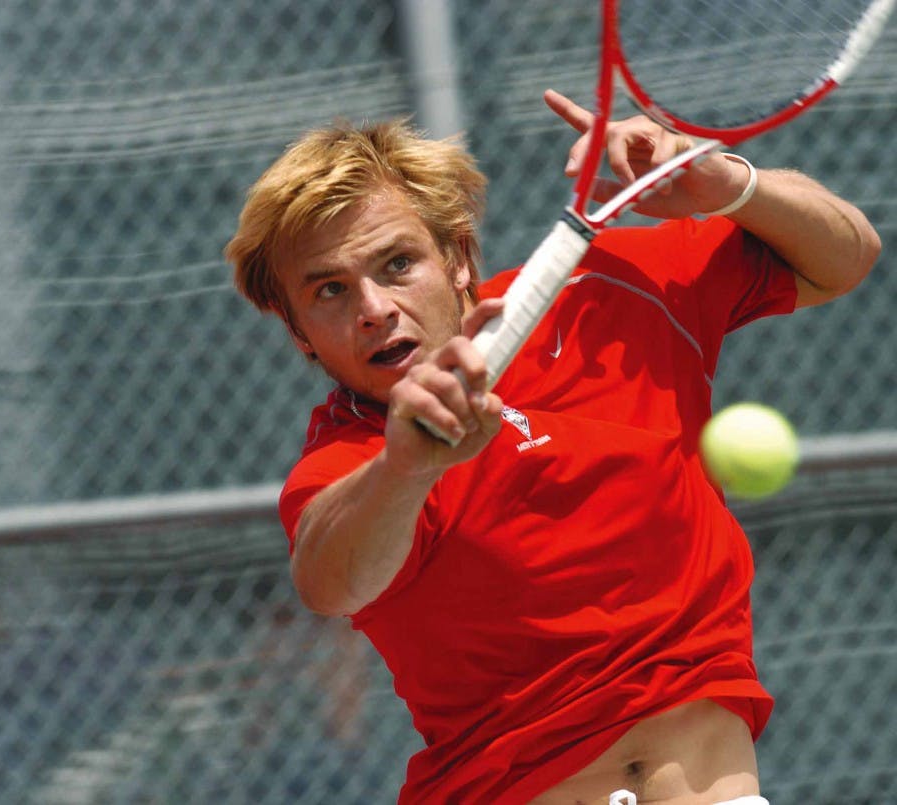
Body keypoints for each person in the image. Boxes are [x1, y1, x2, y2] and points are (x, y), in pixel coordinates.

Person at [225, 88, 880, 805]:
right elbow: (330, 579)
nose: (374, 309)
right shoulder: (353, 459)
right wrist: (406, 467)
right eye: (328, 291)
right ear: (298, 332)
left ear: (457, 258)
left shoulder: (616, 290)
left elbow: (843, 257)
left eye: (396, 264)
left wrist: (730, 183)